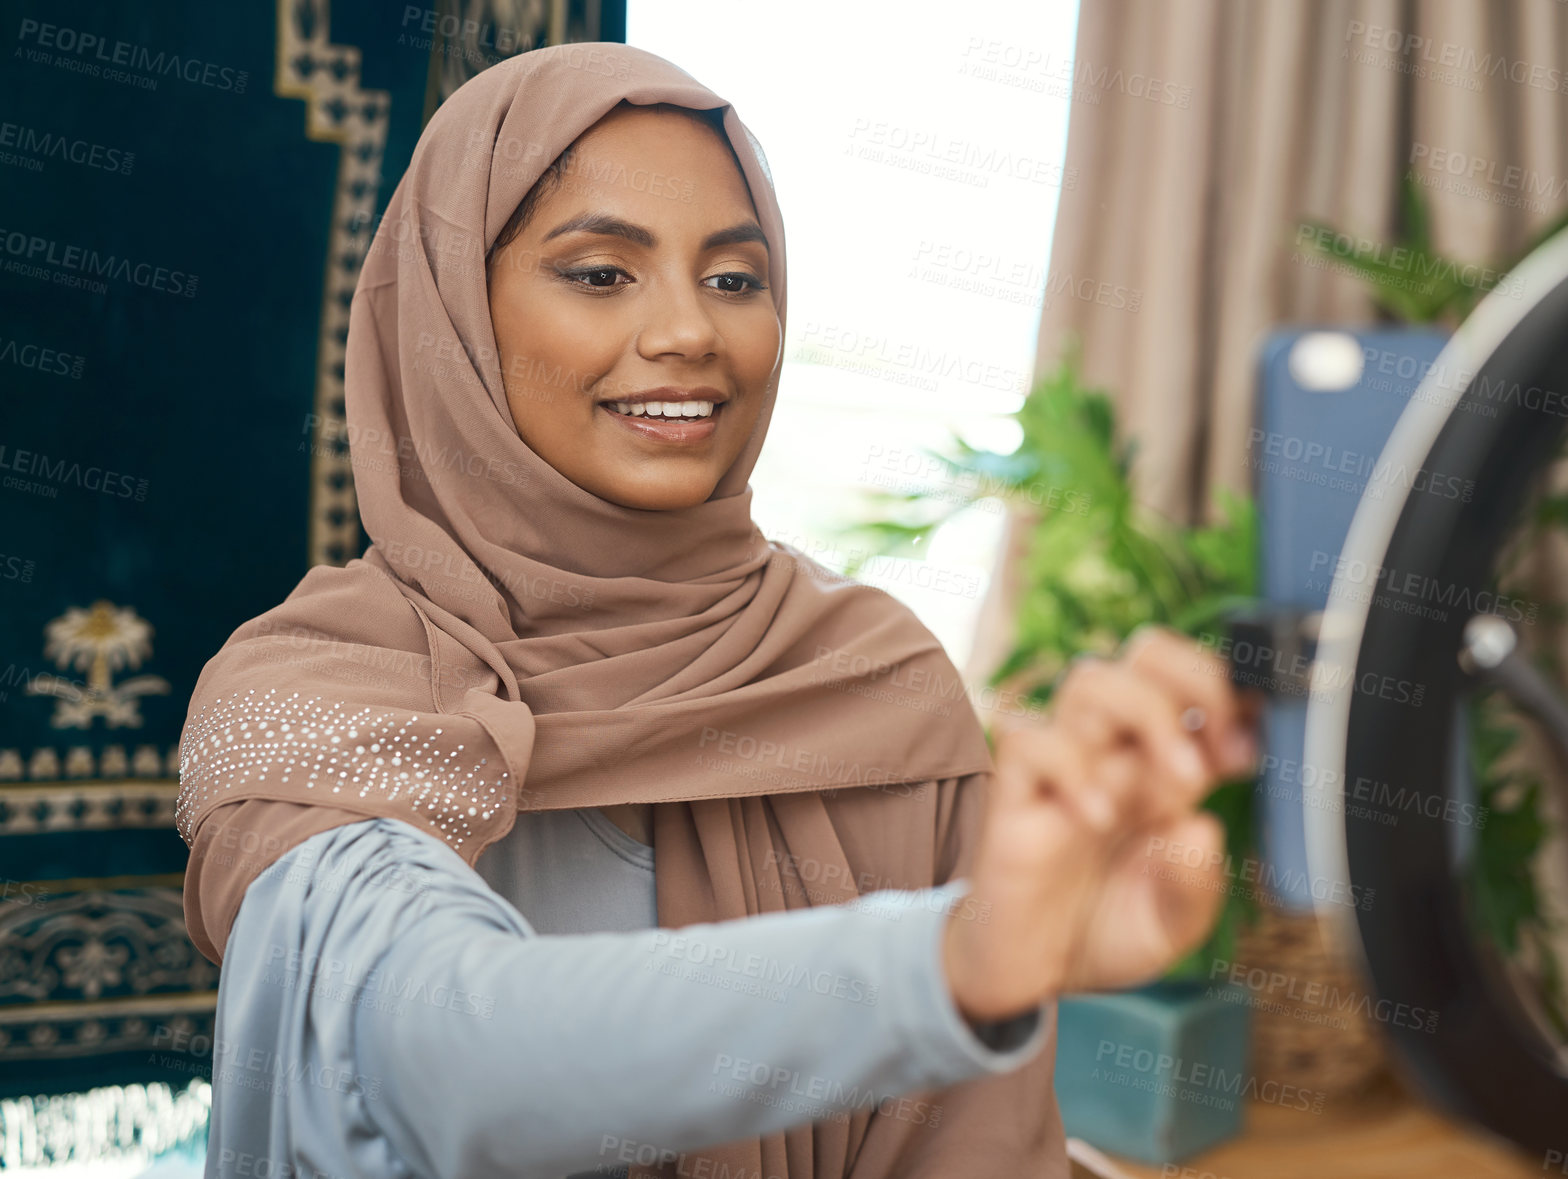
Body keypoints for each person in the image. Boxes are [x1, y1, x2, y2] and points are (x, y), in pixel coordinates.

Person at [174, 42, 1255, 1179]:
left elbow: (972, 1147)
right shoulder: (306, 695)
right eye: (599, 273)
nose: (690, 332)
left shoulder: (870, 678)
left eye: (735, 278)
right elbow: (432, 1056)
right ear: (453, 322)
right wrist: (945, 966)